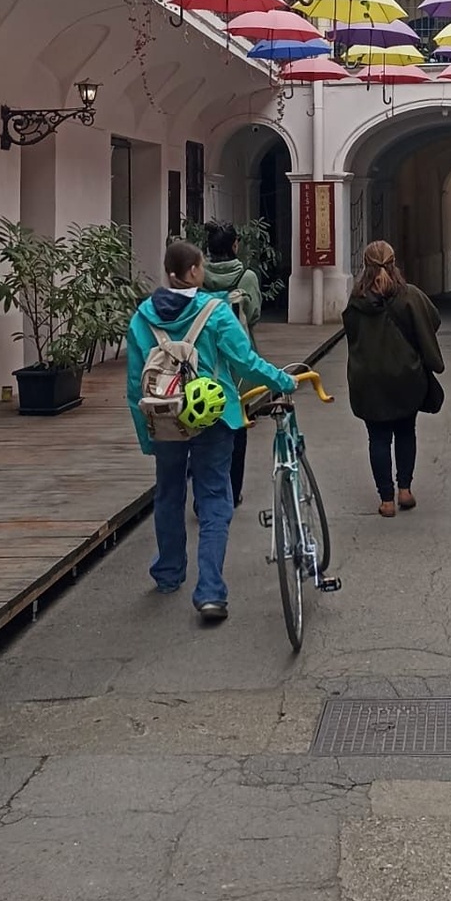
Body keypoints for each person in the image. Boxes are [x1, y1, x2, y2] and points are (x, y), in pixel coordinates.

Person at [126, 240, 296, 621]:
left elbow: (135, 384)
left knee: (169, 493)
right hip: (213, 416)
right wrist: (282, 380)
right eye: (200, 266)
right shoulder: (215, 312)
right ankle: (210, 592)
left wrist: (146, 434)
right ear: (193, 272)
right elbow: (245, 362)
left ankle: (169, 572)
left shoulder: (142, 318)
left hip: (164, 416)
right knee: (214, 497)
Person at [342, 241, 444, 517]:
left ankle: (386, 500)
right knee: (405, 431)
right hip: (405, 377)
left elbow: (352, 335)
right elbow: (433, 320)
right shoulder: (409, 295)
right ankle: (405, 490)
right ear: (394, 262)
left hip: (369, 380)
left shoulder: (357, 300)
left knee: (378, 438)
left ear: (365, 265)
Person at [202, 221, 262, 508]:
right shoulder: (246, 277)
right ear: (235, 245)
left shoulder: (198, 275)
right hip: (237, 363)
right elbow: (254, 314)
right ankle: (232, 490)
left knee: (204, 425)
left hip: (204, 360)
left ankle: (204, 492)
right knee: (237, 425)